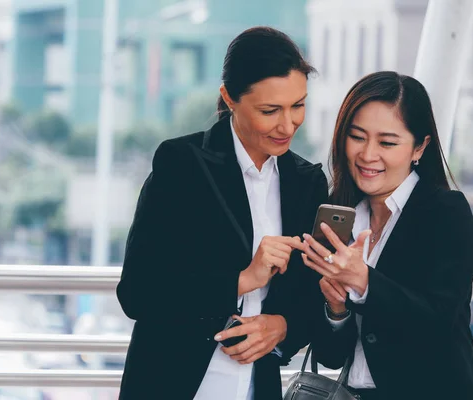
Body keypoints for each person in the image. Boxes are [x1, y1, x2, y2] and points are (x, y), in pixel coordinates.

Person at [116, 26, 328, 400]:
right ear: (229, 98)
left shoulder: (307, 182)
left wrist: (281, 326)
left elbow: (310, 300)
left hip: (254, 388)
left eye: (298, 105)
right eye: (269, 110)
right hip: (172, 383)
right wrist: (243, 279)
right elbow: (138, 293)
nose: (287, 124)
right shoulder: (183, 165)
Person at [301, 71, 473, 400]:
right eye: (357, 136)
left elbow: (438, 324)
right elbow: (330, 356)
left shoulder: (445, 213)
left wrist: (364, 282)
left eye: (387, 142)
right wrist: (336, 309)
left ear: (420, 147)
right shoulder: (339, 219)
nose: (368, 154)